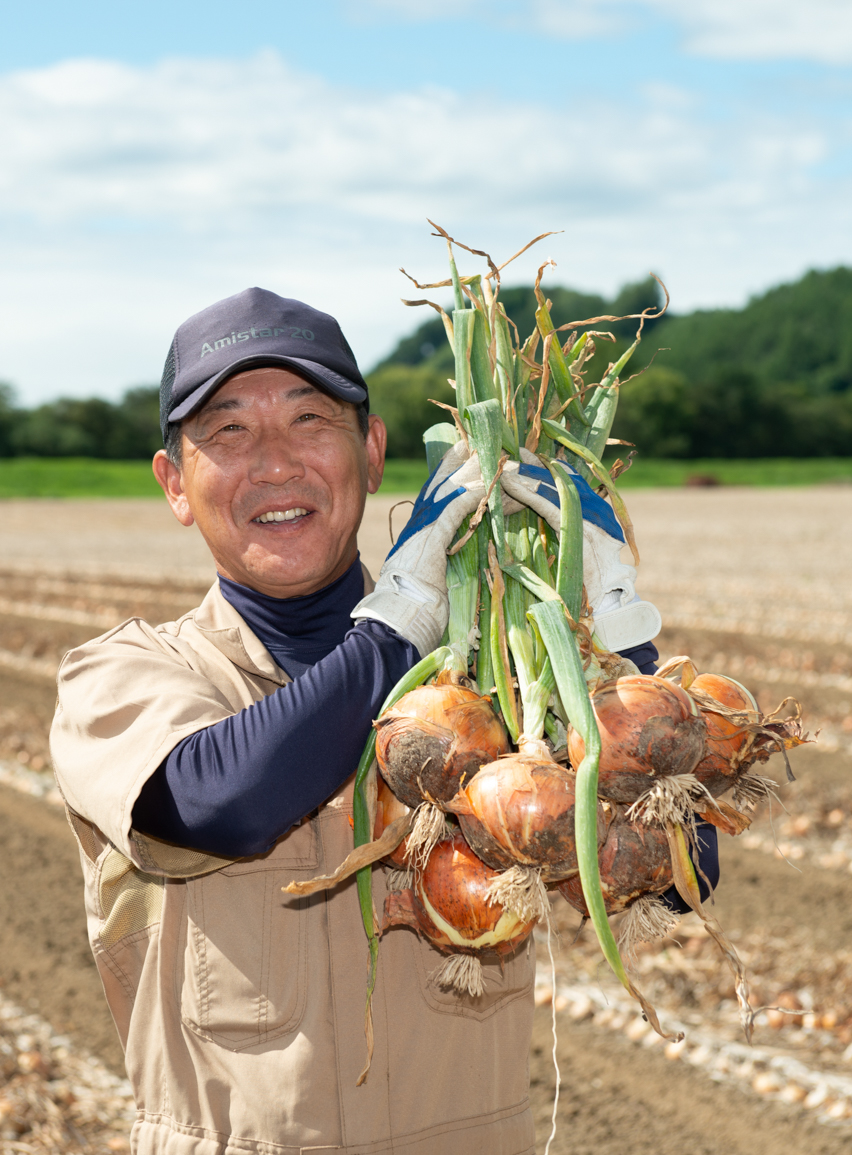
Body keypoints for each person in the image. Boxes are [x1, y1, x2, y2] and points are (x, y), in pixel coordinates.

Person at [49, 287, 710, 1155]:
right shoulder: (127, 674)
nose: (275, 462)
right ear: (176, 482)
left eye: (309, 420)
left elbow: (678, 870)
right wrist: (400, 619)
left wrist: (622, 631)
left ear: (370, 451)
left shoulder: (501, 692)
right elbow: (218, 804)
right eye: (228, 432)